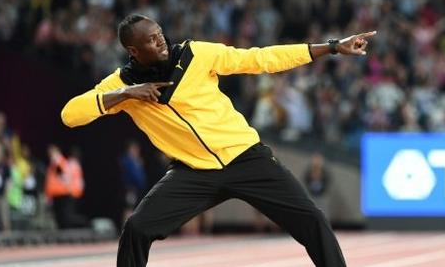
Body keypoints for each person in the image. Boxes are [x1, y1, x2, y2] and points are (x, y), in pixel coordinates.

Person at [61, 14, 375, 267]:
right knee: (136, 229)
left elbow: (261, 59)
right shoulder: (121, 85)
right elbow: (70, 115)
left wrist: (332, 46)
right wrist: (124, 94)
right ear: (133, 51)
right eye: (151, 41)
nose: (162, 42)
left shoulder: (197, 54)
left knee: (313, 221)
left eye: (160, 34)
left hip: (246, 158)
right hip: (193, 172)